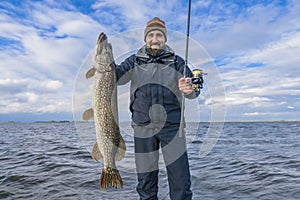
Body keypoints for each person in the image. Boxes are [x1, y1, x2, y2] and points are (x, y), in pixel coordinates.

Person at [115, 17, 200, 200]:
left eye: (159, 35)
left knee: (181, 180)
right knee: (146, 181)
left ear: (165, 38)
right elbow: (116, 78)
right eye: (151, 35)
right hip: (143, 126)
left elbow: (193, 90)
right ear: (145, 39)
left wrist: (191, 88)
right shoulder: (134, 61)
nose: (155, 39)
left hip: (173, 127)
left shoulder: (177, 62)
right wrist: (102, 62)